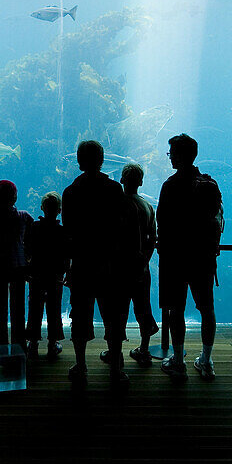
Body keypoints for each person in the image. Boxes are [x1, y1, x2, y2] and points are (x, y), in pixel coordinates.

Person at [62, 140, 130, 386]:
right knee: (113, 317)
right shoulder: (114, 189)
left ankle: (81, 366)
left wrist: (68, 265)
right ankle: (115, 370)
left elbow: (68, 231)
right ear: (102, 160)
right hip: (109, 263)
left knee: (79, 316)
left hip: (81, 263)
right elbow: (121, 226)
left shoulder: (71, 192)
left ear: (79, 161)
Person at [156, 133, 224, 381]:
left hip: (175, 259)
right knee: (207, 309)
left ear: (180, 155)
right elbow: (218, 220)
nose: (170, 157)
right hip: (203, 257)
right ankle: (206, 360)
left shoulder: (170, 186)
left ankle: (177, 361)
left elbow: (161, 224)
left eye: (172, 153)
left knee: (176, 309)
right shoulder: (209, 184)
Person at [99, 163, 158, 367]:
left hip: (117, 268)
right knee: (143, 309)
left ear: (122, 180)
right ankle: (144, 349)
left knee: (117, 311)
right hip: (141, 268)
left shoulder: (114, 205)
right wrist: (144, 261)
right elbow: (152, 239)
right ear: (141, 182)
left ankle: (115, 352)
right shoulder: (148, 207)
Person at [0, 180, 35, 352]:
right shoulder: (24, 216)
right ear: (14, 195)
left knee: (0, 310)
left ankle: (0, 347)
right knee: (18, 309)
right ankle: (19, 346)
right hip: (18, 266)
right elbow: (30, 240)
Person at [25, 191, 69, 360]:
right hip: (55, 275)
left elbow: (27, 248)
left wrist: (28, 269)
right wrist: (67, 271)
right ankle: (52, 343)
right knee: (54, 309)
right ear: (59, 210)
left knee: (34, 309)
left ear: (42, 207)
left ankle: (33, 344)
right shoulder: (61, 230)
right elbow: (66, 254)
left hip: (36, 274)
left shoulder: (34, 227)